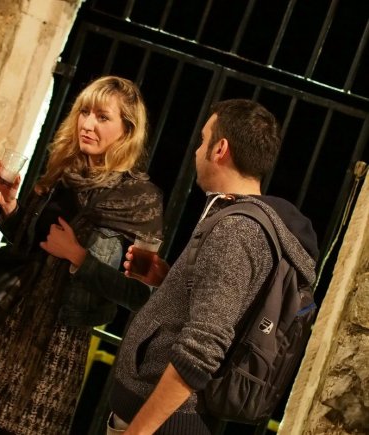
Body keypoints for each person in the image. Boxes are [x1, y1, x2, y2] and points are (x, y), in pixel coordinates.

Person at [47, 99, 319, 434]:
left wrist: (138, 431)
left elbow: (202, 348)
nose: (197, 150)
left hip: (162, 425)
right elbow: (222, 310)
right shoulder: (239, 219)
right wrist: (167, 282)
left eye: (203, 140)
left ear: (220, 149)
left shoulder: (237, 230)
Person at [0, 76, 164, 435]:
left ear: (127, 130)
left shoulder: (140, 200)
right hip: (7, 325)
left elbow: (139, 294)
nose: (88, 124)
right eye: (85, 112)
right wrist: (11, 207)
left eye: (102, 117)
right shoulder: (63, 171)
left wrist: (79, 258)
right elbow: (30, 246)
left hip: (59, 347)